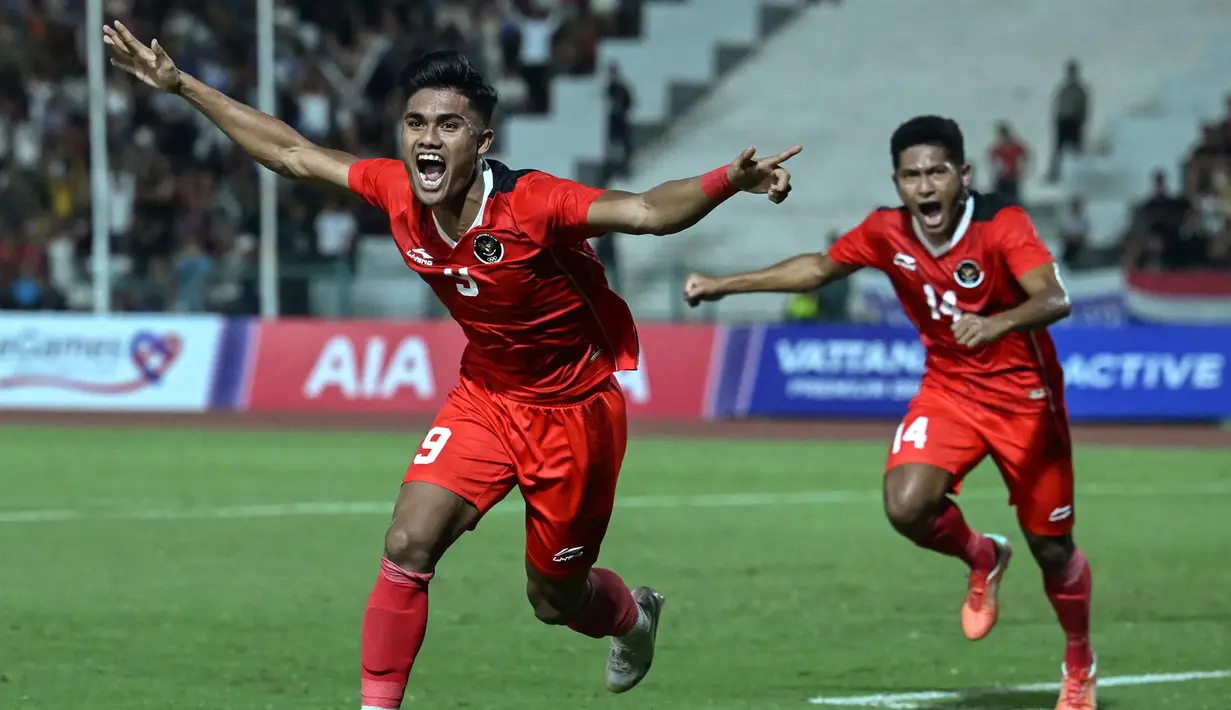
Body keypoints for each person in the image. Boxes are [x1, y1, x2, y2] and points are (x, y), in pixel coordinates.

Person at [103, 21, 799, 710]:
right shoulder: (396, 190)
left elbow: (646, 210)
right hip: (485, 396)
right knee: (407, 540)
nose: (427, 139)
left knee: (554, 598)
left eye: (448, 125)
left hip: (573, 414)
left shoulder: (533, 203)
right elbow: (291, 153)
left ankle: (630, 617)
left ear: (482, 141)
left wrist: (727, 180)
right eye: (414, 123)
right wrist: (181, 85)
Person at [682, 116, 1096, 710]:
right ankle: (982, 554)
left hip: (1026, 401)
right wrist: (726, 285)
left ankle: (1079, 662)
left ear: (964, 174)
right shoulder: (885, 230)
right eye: (912, 176)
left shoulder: (1002, 224)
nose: (925, 186)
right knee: (906, 505)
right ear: (897, 182)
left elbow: (1054, 297)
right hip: (950, 390)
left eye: (937, 172)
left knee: (1052, 548)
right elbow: (820, 269)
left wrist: (996, 322)